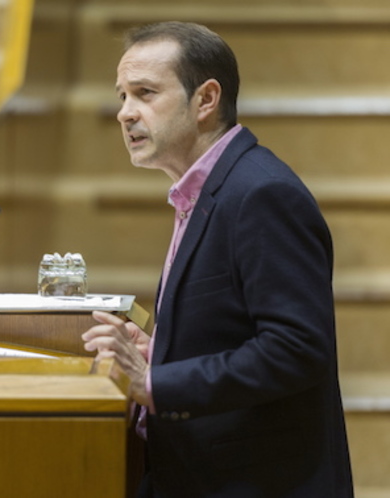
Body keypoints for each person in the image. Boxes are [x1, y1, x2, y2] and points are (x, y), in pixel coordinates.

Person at [82, 22, 353, 497]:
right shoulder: (207, 189)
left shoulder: (260, 193)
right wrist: (161, 350)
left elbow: (296, 348)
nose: (125, 113)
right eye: (123, 96)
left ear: (206, 99)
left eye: (145, 93)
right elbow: (233, 326)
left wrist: (157, 383)